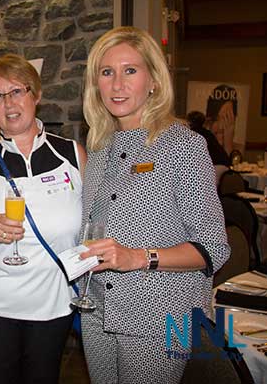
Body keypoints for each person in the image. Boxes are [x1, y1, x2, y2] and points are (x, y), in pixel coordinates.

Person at [79, 26, 230, 383]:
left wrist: (137, 256)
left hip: (163, 318)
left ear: (154, 81)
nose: (117, 84)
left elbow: (213, 249)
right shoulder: (98, 150)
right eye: (107, 72)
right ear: (95, 84)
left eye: (130, 70)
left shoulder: (184, 146)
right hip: (97, 311)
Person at [0, 54, 86, 384]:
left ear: (36, 95)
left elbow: (92, 229)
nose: (8, 103)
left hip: (55, 307)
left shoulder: (73, 156)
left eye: (16, 91)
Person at [187, 110, 230, 183]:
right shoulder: (208, 134)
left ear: (189, 122)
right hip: (225, 169)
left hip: (213, 169)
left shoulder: (191, 135)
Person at [205, 83, 239, 156]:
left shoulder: (238, 149)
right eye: (216, 119)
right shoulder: (200, 147)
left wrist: (228, 144)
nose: (221, 126)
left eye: (227, 118)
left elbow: (229, 166)